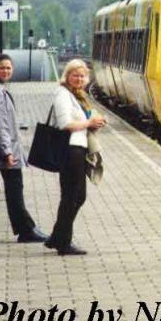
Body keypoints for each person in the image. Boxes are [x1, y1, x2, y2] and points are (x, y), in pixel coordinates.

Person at [0, 54, 48, 243]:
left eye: (9, 68)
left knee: (15, 188)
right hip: (5, 151)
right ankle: (26, 230)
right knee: (15, 189)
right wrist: (7, 152)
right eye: (2, 68)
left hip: (7, 149)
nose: (6, 71)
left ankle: (26, 228)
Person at [45, 59, 105, 255]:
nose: (79, 79)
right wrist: (89, 123)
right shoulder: (63, 95)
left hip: (78, 150)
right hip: (70, 151)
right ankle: (62, 242)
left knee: (75, 196)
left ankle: (58, 238)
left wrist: (93, 123)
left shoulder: (76, 95)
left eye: (82, 76)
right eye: (75, 75)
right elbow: (65, 124)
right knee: (73, 196)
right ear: (67, 76)